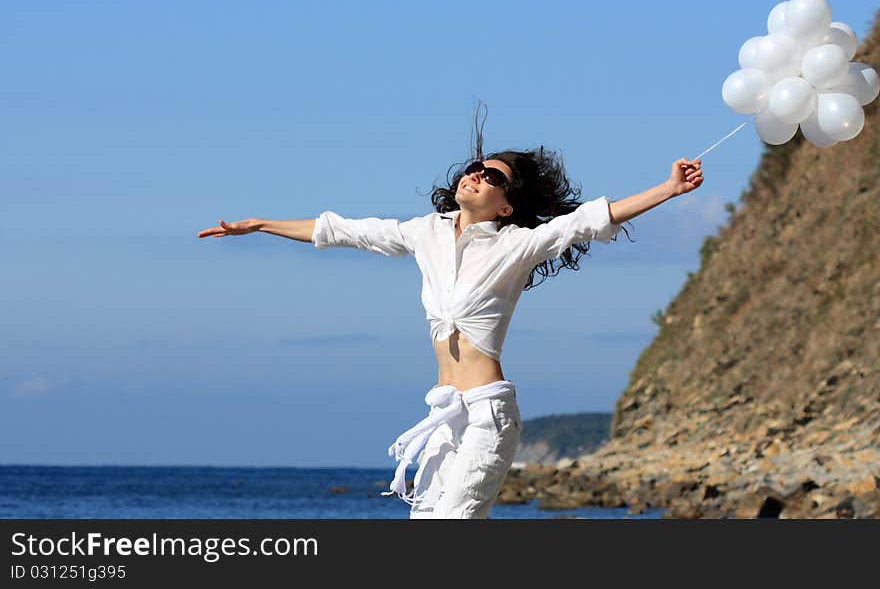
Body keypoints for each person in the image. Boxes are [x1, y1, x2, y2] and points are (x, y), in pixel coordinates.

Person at [196, 108, 703, 519]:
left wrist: (670, 188)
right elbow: (344, 230)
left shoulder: (518, 245)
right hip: (444, 415)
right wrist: (261, 224)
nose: (476, 175)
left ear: (506, 206)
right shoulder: (426, 233)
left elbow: (588, 221)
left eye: (493, 177)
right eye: (475, 168)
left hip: (488, 415)